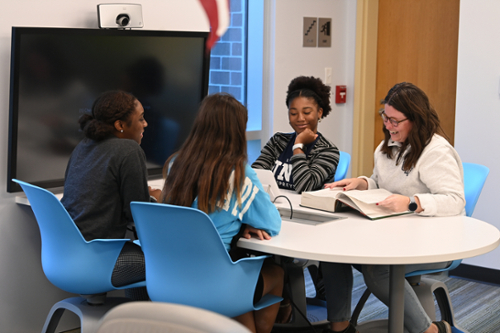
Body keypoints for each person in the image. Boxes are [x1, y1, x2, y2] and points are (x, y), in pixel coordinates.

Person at [321, 82, 465, 333]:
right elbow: (382, 182)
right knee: (333, 254)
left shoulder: (436, 152)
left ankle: (430, 330)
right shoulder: (386, 147)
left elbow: (454, 200)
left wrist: (412, 202)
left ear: (416, 120)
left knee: (378, 271)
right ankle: (340, 327)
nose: (388, 126)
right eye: (385, 118)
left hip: (436, 240)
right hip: (394, 235)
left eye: (395, 121)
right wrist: (363, 183)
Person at [160, 92, 284, 333]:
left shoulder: (176, 165)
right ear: (236, 132)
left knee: (240, 291)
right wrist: (243, 222)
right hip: (216, 284)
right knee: (277, 274)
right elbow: (272, 223)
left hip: (169, 278)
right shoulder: (239, 174)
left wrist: (237, 221)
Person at [61, 90, 160, 297]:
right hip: (99, 260)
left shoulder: (83, 146)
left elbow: (101, 189)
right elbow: (137, 215)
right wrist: (153, 199)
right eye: (141, 118)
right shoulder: (129, 150)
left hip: (66, 256)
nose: (145, 124)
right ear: (120, 125)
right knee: (167, 260)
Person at [252, 76, 339, 193]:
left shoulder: (328, 150)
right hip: (275, 207)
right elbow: (255, 177)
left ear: (319, 112)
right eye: (293, 113)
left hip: (306, 210)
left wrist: (298, 146)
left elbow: (305, 188)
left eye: (306, 112)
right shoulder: (278, 141)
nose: (300, 118)